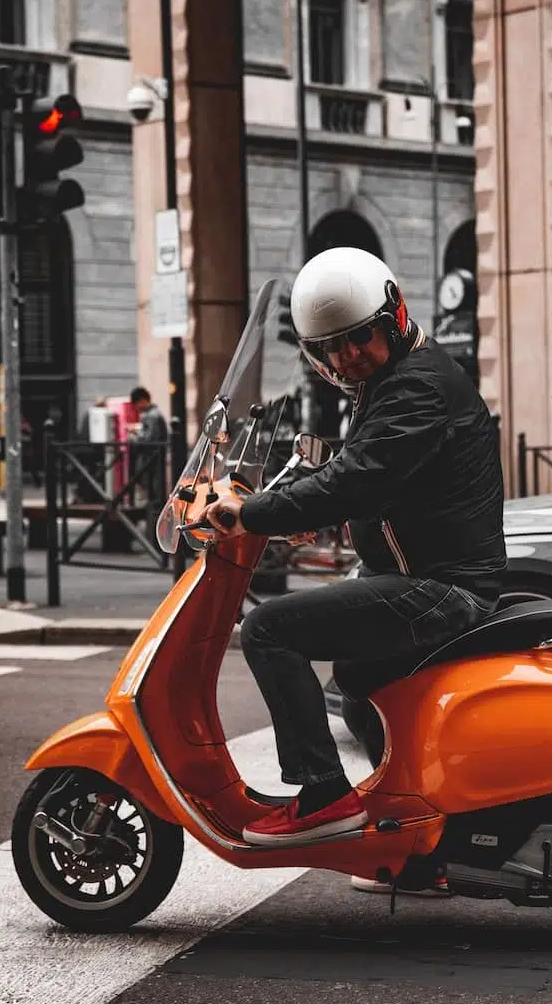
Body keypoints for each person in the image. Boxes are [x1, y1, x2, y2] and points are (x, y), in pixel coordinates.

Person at [202, 246, 507, 856]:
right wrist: (303, 510)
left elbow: (361, 476)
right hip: (428, 578)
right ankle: (420, 845)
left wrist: (254, 512)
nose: (346, 356)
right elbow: (371, 477)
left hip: (443, 590)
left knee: (268, 630)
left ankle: (324, 796)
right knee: (363, 683)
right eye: (330, 347)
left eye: (359, 337)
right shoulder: (393, 377)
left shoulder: (418, 386)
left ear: (392, 316)